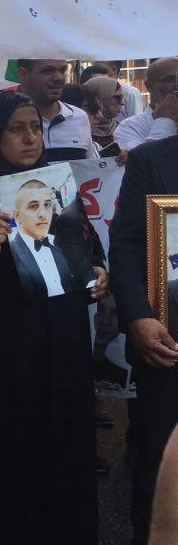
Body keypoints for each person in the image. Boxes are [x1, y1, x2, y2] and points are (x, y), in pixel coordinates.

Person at [0, 90, 108, 544]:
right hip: (5, 341)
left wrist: (98, 273)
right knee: (11, 434)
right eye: (16, 129)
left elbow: (83, 244)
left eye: (34, 128)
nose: (29, 138)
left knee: (64, 430)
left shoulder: (56, 182)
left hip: (63, 336)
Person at [109, 132, 178, 545]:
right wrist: (138, 315)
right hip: (167, 340)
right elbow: (126, 245)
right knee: (159, 454)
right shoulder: (149, 160)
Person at [7, 178, 84, 300]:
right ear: (17, 215)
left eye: (47, 205)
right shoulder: (9, 252)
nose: (43, 214)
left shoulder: (58, 245)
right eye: (33, 206)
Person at [16, 59, 95, 161]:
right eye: (48, 71)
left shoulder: (79, 117)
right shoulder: (6, 119)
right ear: (23, 75)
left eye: (62, 70)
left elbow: (89, 166)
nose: (59, 78)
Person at [115, 57, 178, 150]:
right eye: (170, 79)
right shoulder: (129, 128)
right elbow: (149, 158)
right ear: (149, 85)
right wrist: (164, 121)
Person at [82, 74, 123, 148]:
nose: (122, 102)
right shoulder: (81, 133)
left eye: (121, 97)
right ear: (102, 97)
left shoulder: (121, 129)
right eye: (117, 97)